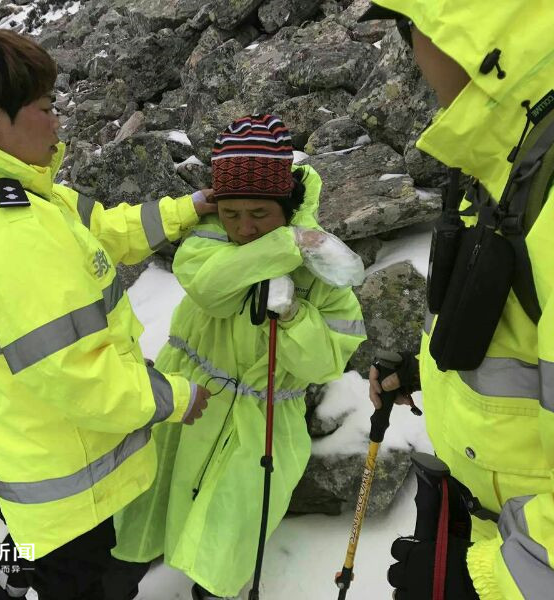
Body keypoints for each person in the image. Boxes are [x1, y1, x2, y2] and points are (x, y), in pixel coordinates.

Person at [0, 29, 215, 600]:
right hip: (69, 477)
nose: (57, 121)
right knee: (82, 581)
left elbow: (99, 232)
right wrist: (174, 399)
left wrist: (189, 209)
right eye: (44, 107)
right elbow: (74, 368)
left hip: (29, 450)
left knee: (28, 552)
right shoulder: (10, 227)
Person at [361, 2, 554, 599]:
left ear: (474, 23)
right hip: (505, 535)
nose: (413, 53)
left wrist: (482, 587)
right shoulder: (531, 144)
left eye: (411, 25)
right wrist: (427, 372)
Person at [113, 115, 367, 599]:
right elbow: (212, 289)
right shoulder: (207, 242)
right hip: (188, 398)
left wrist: (292, 313)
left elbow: (325, 362)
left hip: (264, 420)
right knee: (145, 505)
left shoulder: (324, 267)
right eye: (231, 214)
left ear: (286, 205)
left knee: (226, 533)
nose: (244, 228)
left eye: (259, 213)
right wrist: (284, 247)